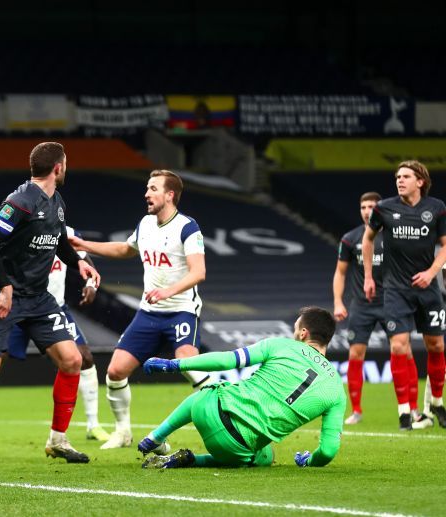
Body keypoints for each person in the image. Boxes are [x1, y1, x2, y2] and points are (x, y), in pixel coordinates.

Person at [0, 142, 100, 467]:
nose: (66, 168)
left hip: (38, 299)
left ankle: (58, 440)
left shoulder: (57, 202)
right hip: (0, 296)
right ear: (58, 167)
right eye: (65, 163)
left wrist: (78, 263)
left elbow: (56, 244)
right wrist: (5, 287)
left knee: (72, 360)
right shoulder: (20, 201)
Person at [69, 169, 210, 450]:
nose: (147, 193)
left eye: (154, 188)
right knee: (116, 371)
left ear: (170, 195)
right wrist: (85, 245)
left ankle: (226, 419)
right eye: (147, 188)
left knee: (190, 366)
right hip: (148, 313)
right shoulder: (145, 224)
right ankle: (123, 432)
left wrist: (168, 291)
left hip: (181, 310)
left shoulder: (187, 227)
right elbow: (125, 250)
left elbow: (199, 272)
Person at [138, 306, 345, 469]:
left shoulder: (280, 345)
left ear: (303, 333)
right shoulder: (336, 390)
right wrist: (310, 461)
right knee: (265, 456)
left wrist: (175, 364)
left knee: (209, 392)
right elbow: (328, 451)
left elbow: (227, 361)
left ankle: (155, 437)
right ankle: (194, 460)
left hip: (207, 410)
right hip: (235, 447)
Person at [363, 160, 446, 430]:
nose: (400, 180)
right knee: (398, 345)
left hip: (429, 289)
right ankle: (404, 413)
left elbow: (445, 245)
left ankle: (436, 402)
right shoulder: (384, 208)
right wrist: (367, 276)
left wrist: (432, 272)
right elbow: (368, 239)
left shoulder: (436, 209)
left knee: (436, 346)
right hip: (396, 290)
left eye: (406, 176)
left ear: (420, 181)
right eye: (398, 176)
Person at [6, 226, 110, 442]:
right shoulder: (21, 226)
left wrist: (90, 284)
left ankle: (93, 425)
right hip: (18, 305)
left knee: (85, 358)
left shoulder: (67, 232)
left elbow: (85, 261)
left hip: (53, 309)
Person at [333, 192, 401, 424]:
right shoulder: (350, 239)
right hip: (361, 305)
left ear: (379, 209)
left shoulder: (394, 234)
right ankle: (357, 411)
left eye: (372, 206)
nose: (367, 210)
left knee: (401, 351)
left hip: (391, 301)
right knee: (355, 354)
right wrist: (338, 302)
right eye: (363, 206)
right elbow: (340, 272)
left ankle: (408, 409)